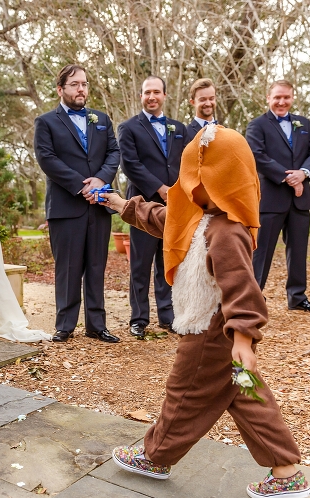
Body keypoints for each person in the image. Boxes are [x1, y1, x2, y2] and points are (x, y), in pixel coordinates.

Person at [100, 124, 310, 498]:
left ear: (217, 179)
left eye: (194, 179)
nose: (187, 187)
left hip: (211, 327)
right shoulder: (202, 219)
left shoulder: (227, 231)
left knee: (184, 392)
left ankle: (155, 457)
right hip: (219, 330)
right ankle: (286, 471)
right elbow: (166, 220)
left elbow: (243, 289)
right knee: (245, 393)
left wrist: (244, 338)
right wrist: (122, 205)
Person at [34, 64, 121, 343]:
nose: (81, 89)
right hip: (65, 206)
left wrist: (101, 179)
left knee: (97, 265)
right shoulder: (46, 122)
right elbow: (47, 159)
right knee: (68, 267)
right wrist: (81, 185)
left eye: (84, 83)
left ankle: (97, 325)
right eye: (74, 84)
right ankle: (65, 325)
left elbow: (113, 152)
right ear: (61, 89)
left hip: (99, 203)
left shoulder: (102, 119)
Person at [245, 80, 310, 313]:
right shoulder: (257, 125)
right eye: (277, 97)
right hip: (270, 198)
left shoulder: (304, 123)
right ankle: (252, 299)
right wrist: (288, 176)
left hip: (300, 199)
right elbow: (256, 155)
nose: (282, 102)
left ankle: (298, 297)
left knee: (299, 251)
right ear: (268, 98)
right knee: (262, 252)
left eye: (286, 97)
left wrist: (304, 173)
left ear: (292, 98)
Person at [117, 76, 186, 338]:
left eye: (156, 92)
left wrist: (178, 192)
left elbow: (186, 163)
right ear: (141, 96)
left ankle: (167, 316)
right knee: (141, 264)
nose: (152, 97)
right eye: (147, 92)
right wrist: (160, 189)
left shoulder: (179, 128)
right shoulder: (129, 128)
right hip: (143, 204)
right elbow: (130, 165)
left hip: (176, 205)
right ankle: (139, 318)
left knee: (167, 261)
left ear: (165, 96)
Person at [184, 78, 218, 144]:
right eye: (202, 100)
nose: (208, 103)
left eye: (211, 99)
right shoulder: (185, 134)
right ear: (193, 102)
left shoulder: (226, 131)